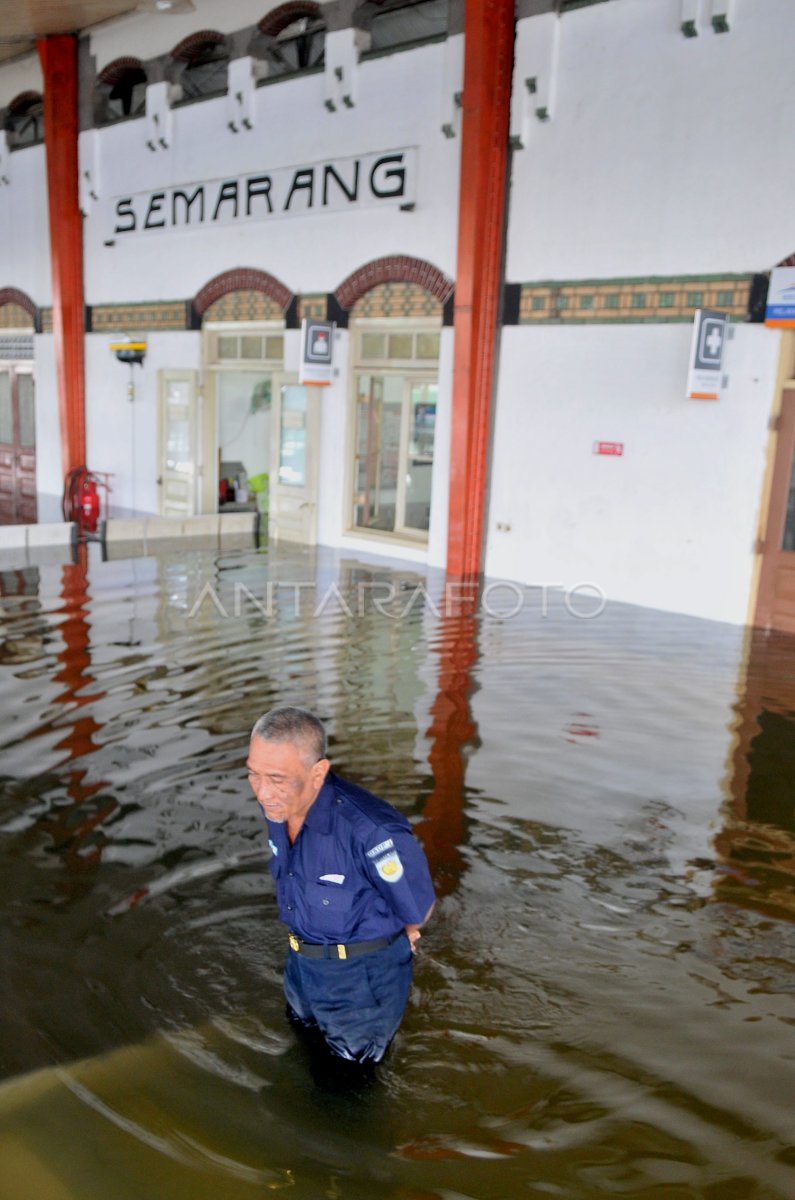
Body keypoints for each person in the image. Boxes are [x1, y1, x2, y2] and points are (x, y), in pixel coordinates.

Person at [247, 705, 435, 1066]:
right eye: (253, 774)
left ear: (318, 773)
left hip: (360, 980)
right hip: (301, 965)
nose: (262, 792)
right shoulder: (280, 805)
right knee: (301, 1046)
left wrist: (403, 936)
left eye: (276, 778)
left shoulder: (371, 831)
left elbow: (418, 905)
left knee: (347, 1083)